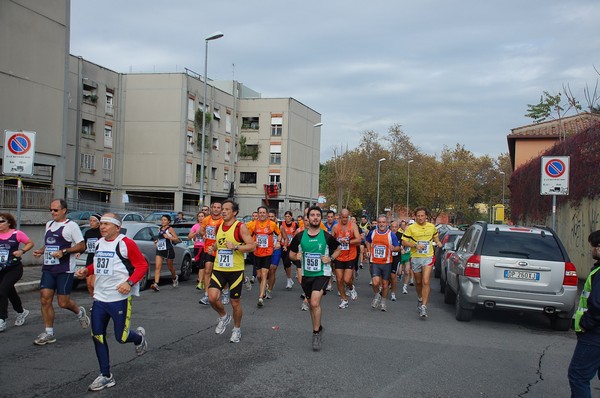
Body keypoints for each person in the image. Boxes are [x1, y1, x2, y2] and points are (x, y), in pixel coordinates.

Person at [75, 213, 148, 391]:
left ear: (117, 226)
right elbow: (99, 264)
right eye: (101, 224)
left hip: (119, 298)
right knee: (97, 336)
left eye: (107, 224)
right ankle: (106, 375)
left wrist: (129, 283)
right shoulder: (99, 243)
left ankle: (138, 338)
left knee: (121, 337)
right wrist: (87, 270)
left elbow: (142, 265)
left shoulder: (125, 243)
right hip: (100, 297)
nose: (102, 227)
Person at [32, 199, 89, 345]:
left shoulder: (72, 226)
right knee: (45, 298)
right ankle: (49, 332)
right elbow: (50, 243)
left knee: (63, 303)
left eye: (55, 210)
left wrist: (64, 251)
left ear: (64, 210)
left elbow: (81, 246)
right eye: (51, 210)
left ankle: (79, 312)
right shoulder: (49, 225)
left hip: (65, 269)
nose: (52, 212)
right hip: (49, 268)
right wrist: (41, 250)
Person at [288, 206, 341, 351]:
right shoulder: (299, 236)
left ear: (320, 218)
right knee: (312, 304)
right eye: (312, 215)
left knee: (315, 302)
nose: (315, 217)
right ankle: (318, 327)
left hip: (322, 273)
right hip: (307, 275)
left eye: (318, 215)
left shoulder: (325, 236)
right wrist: (296, 257)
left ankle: (316, 334)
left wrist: (329, 258)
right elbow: (291, 254)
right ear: (308, 218)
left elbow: (338, 249)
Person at [206, 200, 256, 343]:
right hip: (219, 269)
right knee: (211, 298)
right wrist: (213, 248)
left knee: (235, 303)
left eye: (227, 209)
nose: (223, 211)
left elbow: (252, 246)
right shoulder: (219, 226)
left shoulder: (240, 227)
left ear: (234, 212)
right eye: (222, 209)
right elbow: (219, 242)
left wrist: (235, 247)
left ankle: (237, 329)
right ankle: (223, 316)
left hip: (235, 270)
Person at [568, 230, 600, 397]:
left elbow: (597, 304)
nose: (591, 250)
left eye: (593, 247)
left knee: (578, 376)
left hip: (595, 335)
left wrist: (585, 323)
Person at [401, 207, 441, 318]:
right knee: (418, 282)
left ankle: (424, 306)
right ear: (415, 216)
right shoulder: (411, 228)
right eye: (418, 216)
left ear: (426, 216)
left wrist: (438, 242)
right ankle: (419, 298)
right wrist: (415, 245)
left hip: (428, 257)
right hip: (416, 257)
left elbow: (436, 237)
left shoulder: (432, 227)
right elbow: (404, 241)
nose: (420, 218)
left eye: (422, 215)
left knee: (426, 281)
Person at [0, 212, 34, 332]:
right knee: (9, 291)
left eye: (1, 221)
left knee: (2, 290)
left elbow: (30, 243)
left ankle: (2, 319)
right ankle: (21, 311)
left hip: (14, 268)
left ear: (9, 223)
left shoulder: (16, 233)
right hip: (1, 268)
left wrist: (22, 251)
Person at [247, 206, 282, 307]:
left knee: (264, 274)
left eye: (263, 212)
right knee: (258, 276)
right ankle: (264, 286)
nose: (262, 214)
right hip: (257, 253)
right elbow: (247, 236)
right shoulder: (253, 225)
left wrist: (279, 242)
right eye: (260, 213)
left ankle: (260, 297)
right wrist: (252, 242)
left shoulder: (272, 224)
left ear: (266, 214)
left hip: (268, 252)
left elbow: (279, 234)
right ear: (257, 214)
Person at [365, 215, 400, 312]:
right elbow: (367, 241)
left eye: (383, 222)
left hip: (387, 263)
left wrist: (394, 248)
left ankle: (383, 302)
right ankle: (377, 295)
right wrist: (368, 250)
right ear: (377, 223)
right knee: (375, 283)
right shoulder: (373, 233)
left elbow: (398, 247)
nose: (381, 224)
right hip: (375, 262)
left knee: (385, 285)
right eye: (379, 222)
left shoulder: (391, 234)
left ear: (387, 223)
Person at [331, 208, 361, 308]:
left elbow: (358, 240)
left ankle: (351, 288)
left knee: (347, 279)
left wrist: (348, 242)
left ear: (348, 216)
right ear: (340, 216)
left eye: (346, 217)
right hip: (339, 256)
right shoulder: (335, 227)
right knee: (339, 279)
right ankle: (344, 300)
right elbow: (331, 240)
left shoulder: (353, 226)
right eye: (342, 217)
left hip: (350, 255)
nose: (344, 219)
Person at [198, 202, 223, 305]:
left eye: (218, 207)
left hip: (220, 249)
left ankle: (224, 292)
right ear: (211, 208)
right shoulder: (206, 219)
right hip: (208, 249)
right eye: (214, 207)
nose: (216, 209)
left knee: (220, 272)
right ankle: (207, 295)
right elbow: (201, 230)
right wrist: (204, 235)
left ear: (221, 209)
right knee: (208, 270)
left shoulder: (223, 220)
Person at [150, 214, 180, 291]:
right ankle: (156, 284)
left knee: (170, 267)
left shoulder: (170, 229)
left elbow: (176, 239)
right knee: (158, 266)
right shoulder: (159, 228)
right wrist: (157, 241)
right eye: (162, 220)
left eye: (165, 220)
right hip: (160, 249)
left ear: (168, 221)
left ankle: (174, 277)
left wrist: (168, 237)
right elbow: (160, 238)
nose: (163, 221)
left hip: (168, 249)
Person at [78, 213, 102, 298]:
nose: (91, 223)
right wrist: (79, 252)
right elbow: (84, 245)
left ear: (99, 223)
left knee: (93, 284)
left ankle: (98, 302)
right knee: (88, 284)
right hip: (90, 259)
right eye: (90, 221)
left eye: (94, 221)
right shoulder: (88, 233)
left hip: (98, 260)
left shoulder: (101, 233)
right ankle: (95, 301)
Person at [266, 210, 287, 299]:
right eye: (269, 216)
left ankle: (269, 291)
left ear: (275, 217)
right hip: (265, 250)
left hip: (276, 250)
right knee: (265, 272)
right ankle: (268, 282)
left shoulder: (280, 227)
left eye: (272, 216)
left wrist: (284, 245)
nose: (270, 218)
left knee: (272, 269)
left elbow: (285, 238)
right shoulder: (264, 226)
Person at [280, 211, 300, 290]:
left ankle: (289, 280)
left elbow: (298, 234)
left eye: (289, 216)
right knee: (285, 264)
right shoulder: (281, 224)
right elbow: (279, 234)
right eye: (286, 216)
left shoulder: (295, 224)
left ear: (291, 217)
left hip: (292, 246)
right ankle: (289, 278)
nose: (287, 218)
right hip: (283, 245)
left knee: (288, 262)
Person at [188, 211, 206, 290]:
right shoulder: (195, 226)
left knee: (202, 264)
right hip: (197, 247)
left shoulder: (207, 226)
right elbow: (189, 237)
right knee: (199, 264)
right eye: (199, 216)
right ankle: (204, 280)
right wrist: (197, 232)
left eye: (202, 216)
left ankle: (200, 282)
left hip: (205, 247)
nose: (201, 218)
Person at [389, 221, 403, 301]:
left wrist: (402, 249)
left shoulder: (401, 236)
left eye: (395, 227)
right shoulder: (387, 235)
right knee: (385, 276)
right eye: (392, 227)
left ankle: (393, 293)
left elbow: (403, 244)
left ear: (398, 228)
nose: (394, 229)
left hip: (396, 258)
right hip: (387, 257)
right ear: (390, 228)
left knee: (393, 276)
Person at [399, 220, 413, 294]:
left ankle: (405, 287)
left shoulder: (412, 235)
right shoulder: (399, 234)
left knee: (407, 271)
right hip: (400, 254)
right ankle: (399, 276)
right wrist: (400, 249)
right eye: (403, 226)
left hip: (408, 254)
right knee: (399, 272)